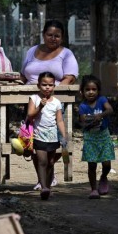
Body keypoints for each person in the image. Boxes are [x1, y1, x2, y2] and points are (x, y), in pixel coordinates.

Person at [20, 19, 79, 190]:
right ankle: (42, 179)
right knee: (34, 141)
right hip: (32, 101)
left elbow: (70, 77)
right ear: (43, 35)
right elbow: (24, 75)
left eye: (57, 36)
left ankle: (49, 174)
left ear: (62, 37)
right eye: (50, 35)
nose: (53, 38)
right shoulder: (32, 51)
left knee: (55, 142)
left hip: (55, 103)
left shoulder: (66, 54)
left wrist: (51, 95)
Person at [27, 71, 68, 200]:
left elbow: (59, 120)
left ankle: (48, 188)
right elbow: (30, 115)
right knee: (42, 161)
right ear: (39, 85)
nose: (47, 87)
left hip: (52, 137)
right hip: (38, 135)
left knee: (50, 162)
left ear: (54, 86)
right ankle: (43, 186)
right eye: (44, 84)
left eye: (50, 85)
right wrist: (40, 106)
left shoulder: (56, 102)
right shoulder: (34, 98)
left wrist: (64, 135)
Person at [78, 74, 115, 199]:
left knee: (106, 164)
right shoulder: (82, 107)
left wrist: (101, 115)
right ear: (82, 91)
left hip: (104, 136)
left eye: (94, 89)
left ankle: (104, 177)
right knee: (92, 165)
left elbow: (110, 110)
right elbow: (83, 121)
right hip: (90, 138)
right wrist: (89, 121)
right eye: (87, 89)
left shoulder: (102, 100)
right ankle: (93, 189)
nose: (91, 92)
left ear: (98, 91)